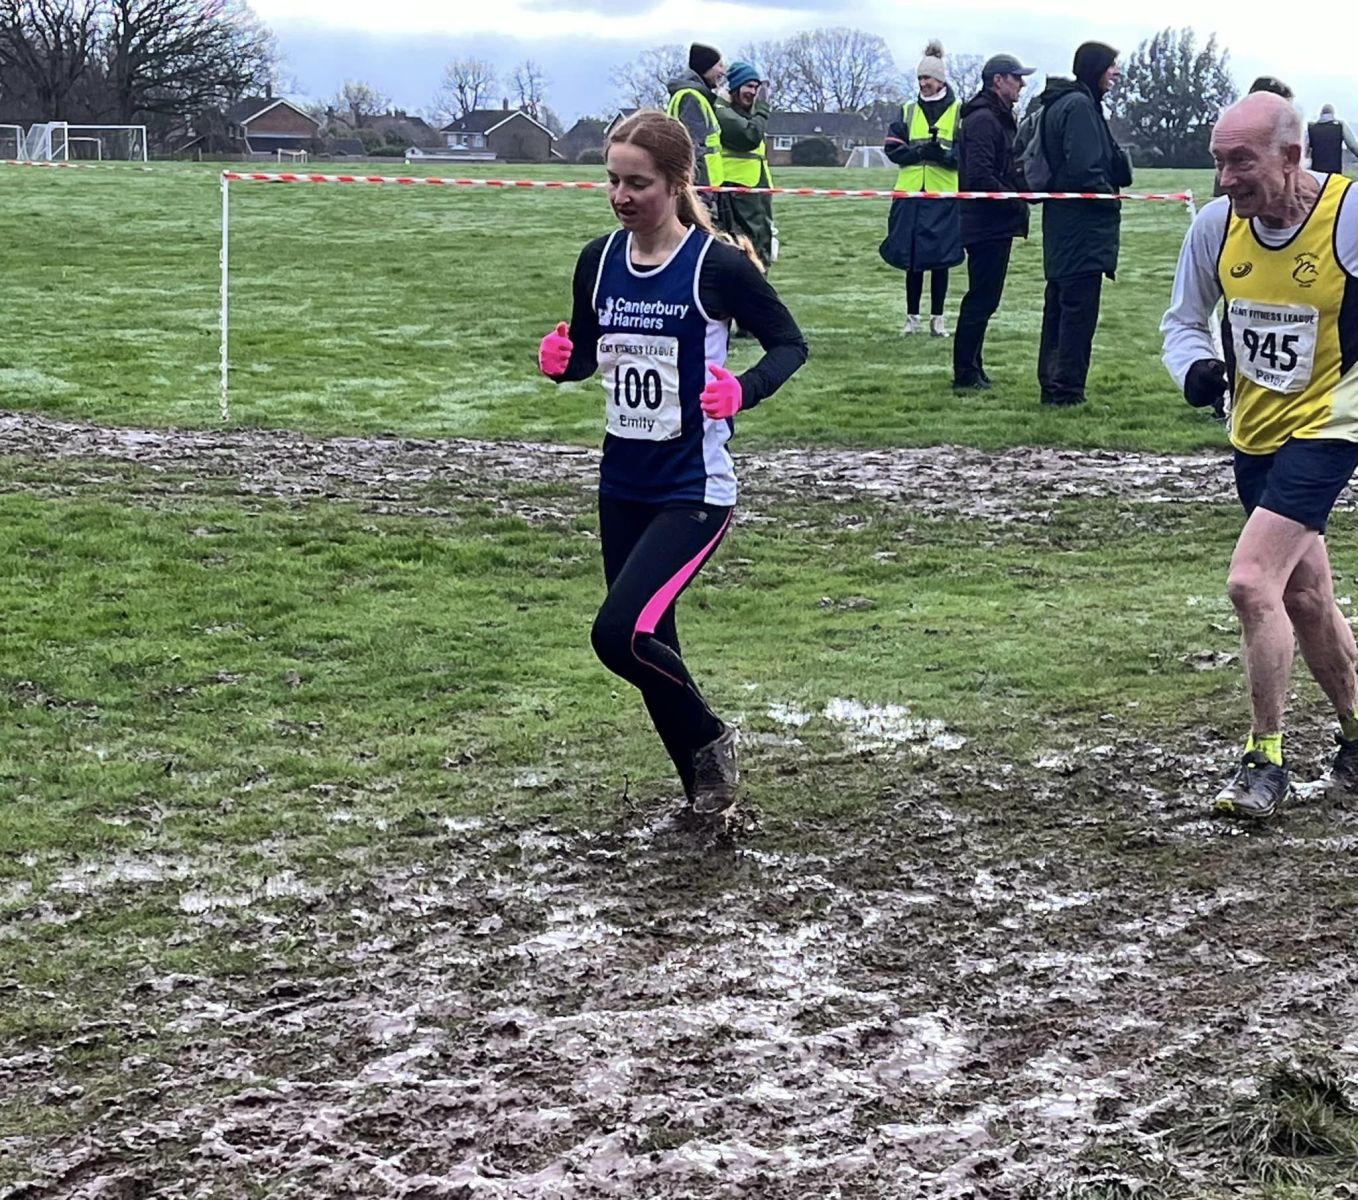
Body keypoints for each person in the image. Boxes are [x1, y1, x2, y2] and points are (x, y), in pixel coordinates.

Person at [536, 111, 808, 817]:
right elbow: (589, 350)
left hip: (694, 490)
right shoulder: (598, 260)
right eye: (612, 181)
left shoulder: (716, 266)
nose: (621, 196)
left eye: (638, 184)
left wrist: (742, 390)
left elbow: (789, 344)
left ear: (677, 182)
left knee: (618, 635)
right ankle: (706, 798)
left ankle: (712, 736)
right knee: (653, 644)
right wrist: (563, 362)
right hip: (621, 484)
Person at [1160, 90, 1358, 819]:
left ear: (1291, 157)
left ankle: (1263, 758)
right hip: (1255, 429)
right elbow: (1182, 320)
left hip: (1334, 424)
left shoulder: (1349, 216)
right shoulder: (1216, 227)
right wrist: (1195, 368)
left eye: (1240, 162)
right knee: (1304, 595)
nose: (1225, 179)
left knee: (1251, 583)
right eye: (1218, 163)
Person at [1034, 42, 1132, 406]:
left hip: (1064, 225)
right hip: (1081, 227)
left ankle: (1053, 386)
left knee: (1059, 307)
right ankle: (1067, 390)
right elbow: (1085, 168)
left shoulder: (1069, 103)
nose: (1115, 72)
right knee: (1076, 311)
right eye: (1111, 65)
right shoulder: (1078, 106)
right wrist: (1108, 197)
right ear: (1095, 68)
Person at [952, 52, 1035, 390]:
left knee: (986, 299)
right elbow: (981, 175)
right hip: (986, 222)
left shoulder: (998, 116)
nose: (1021, 84)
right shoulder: (984, 120)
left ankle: (974, 367)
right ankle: (965, 373)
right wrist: (1014, 200)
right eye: (1016, 78)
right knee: (981, 299)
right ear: (998, 80)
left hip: (994, 222)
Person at [880, 40, 964, 337]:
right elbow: (892, 148)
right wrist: (918, 153)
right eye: (919, 78)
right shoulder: (907, 110)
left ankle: (938, 319)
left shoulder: (959, 111)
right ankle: (912, 318)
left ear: (940, 79)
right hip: (910, 194)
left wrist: (944, 156)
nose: (923, 84)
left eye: (927, 78)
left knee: (941, 260)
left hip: (943, 195)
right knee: (912, 260)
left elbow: (965, 155)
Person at [716, 61, 774, 271]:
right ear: (734, 87)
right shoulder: (723, 113)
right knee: (742, 250)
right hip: (734, 193)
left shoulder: (746, 116)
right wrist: (763, 108)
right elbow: (750, 136)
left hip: (754, 194)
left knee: (759, 250)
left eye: (756, 87)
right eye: (748, 86)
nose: (753, 92)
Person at [667, 43, 727, 217]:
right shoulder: (691, 97)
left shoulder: (696, 95)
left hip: (707, 186)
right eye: (719, 65)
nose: (723, 72)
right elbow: (693, 149)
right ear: (706, 67)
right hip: (700, 188)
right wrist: (700, 191)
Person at [1307, 104, 1358, 174]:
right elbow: (1352, 145)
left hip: (1317, 173)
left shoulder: (1311, 128)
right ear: (1333, 113)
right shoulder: (1340, 126)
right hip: (1334, 172)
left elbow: (1304, 150)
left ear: (1321, 114)